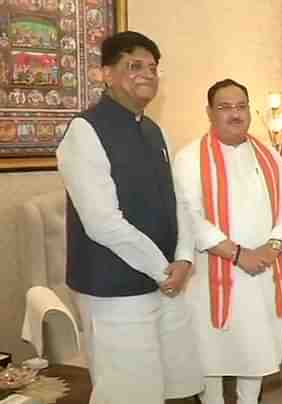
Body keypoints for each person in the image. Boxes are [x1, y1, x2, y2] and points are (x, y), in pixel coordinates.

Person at [56, 31, 202, 403]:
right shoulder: (85, 131)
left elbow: (179, 202)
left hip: (165, 282)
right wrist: (162, 267)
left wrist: (185, 257)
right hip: (114, 287)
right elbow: (102, 221)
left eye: (153, 67)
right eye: (133, 65)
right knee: (128, 391)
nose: (147, 74)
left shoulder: (156, 132)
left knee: (171, 382)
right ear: (106, 73)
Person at [174, 79, 282, 404]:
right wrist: (238, 254)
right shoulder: (189, 158)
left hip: (262, 272)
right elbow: (188, 215)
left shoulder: (269, 155)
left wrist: (271, 249)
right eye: (225, 107)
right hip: (212, 273)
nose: (235, 114)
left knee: (255, 352)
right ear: (209, 113)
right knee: (210, 356)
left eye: (241, 106)